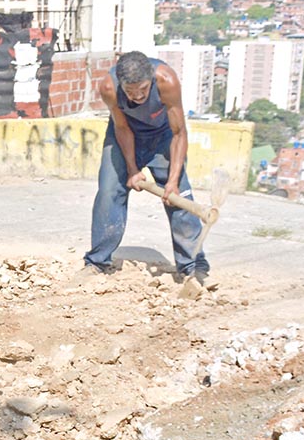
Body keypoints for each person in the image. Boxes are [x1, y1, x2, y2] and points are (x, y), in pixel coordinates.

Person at [80, 50, 210, 284]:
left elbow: (179, 133)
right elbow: (121, 128)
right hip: (125, 135)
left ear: (151, 79)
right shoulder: (109, 88)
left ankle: (193, 267)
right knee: (109, 192)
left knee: (180, 197)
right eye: (131, 92)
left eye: (143, 90)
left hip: (164, 136)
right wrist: (132, 169)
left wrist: (171, 181)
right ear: (122, 85)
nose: (138, 96)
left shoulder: (166, 81)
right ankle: (97, 261)